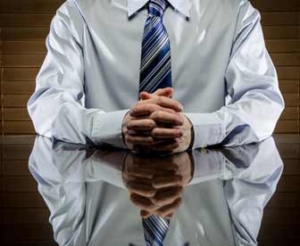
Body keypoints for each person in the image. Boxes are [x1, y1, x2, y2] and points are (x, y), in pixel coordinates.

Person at [27, 0, 285, 154]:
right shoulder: (77, 13)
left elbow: (263, 101)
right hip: (104, 188)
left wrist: (196, 130)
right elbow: (48, 104)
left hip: (208, 192)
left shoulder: (236, 12)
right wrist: (116, 127)